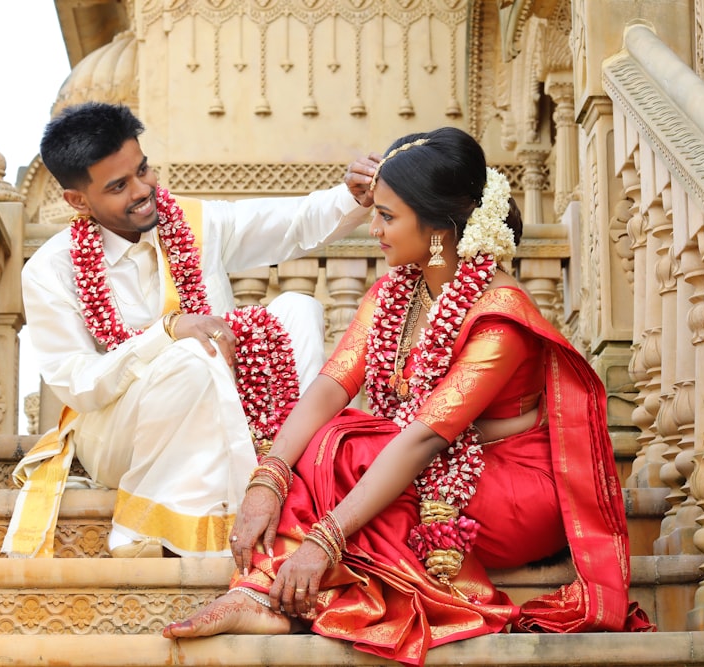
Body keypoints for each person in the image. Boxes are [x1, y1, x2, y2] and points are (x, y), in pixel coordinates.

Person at [161, 127, 655, 665]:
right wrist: (268, 478)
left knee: (349, 447)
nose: (372, 228)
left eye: (387, 216)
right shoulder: (399, 289)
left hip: (512, 489)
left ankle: (274, 589)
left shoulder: (499, 316)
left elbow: (420, 438)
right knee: (329, 435)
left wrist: (321, 541)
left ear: (440, 226)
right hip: (435, 458)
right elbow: (332, 386)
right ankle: (267, 590)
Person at [1, 102, 372, 560]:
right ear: (79, 201)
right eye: (119, 186)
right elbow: (79, 384)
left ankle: (291, 481)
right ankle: (161, 530)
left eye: (143, 170)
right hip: (120, 434)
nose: (142, 190)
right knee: (192, 353)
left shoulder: (193, 224)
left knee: (298, 307)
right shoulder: (50, 270)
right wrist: (167, 333)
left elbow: (288, 224)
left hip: (228, 404)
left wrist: (353, 196)